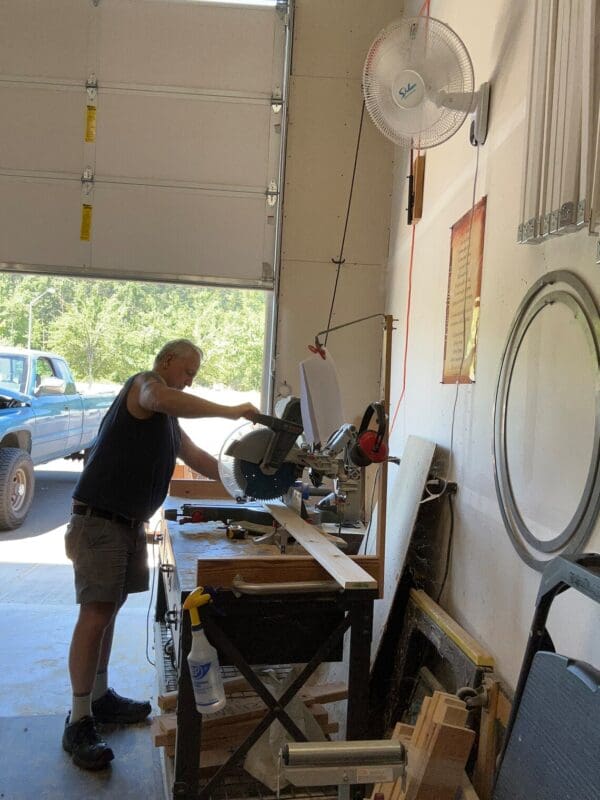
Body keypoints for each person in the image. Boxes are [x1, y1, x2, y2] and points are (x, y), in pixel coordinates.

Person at [62, 339, 259, 770]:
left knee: (109, 611)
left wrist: (250, 489)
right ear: (167, 362)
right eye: (189, 371)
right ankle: (78, 721)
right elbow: (161, 396)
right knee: (94, 614)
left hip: (126, 523)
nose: (192, 380)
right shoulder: (145, 386)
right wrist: (230, 411)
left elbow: (199, 459)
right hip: (98, 521)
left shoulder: (168, 422)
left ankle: (99, 696)